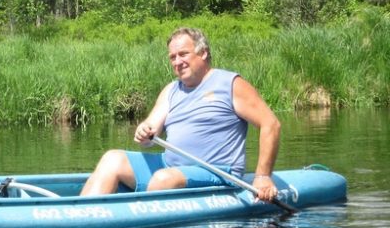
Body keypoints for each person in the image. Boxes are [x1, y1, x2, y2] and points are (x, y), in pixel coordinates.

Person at [80, 27, 281, 201]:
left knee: (162, 179)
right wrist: (144, 132)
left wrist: (262, 176)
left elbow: (270, 124)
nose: (177, 61)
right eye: (172, 57)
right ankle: (83, 217)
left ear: (203, 53)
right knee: (112, 159)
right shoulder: (171, 90)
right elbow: (150, 133)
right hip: (170, 166)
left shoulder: (230, 84)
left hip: (217, 171)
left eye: (183, 54)